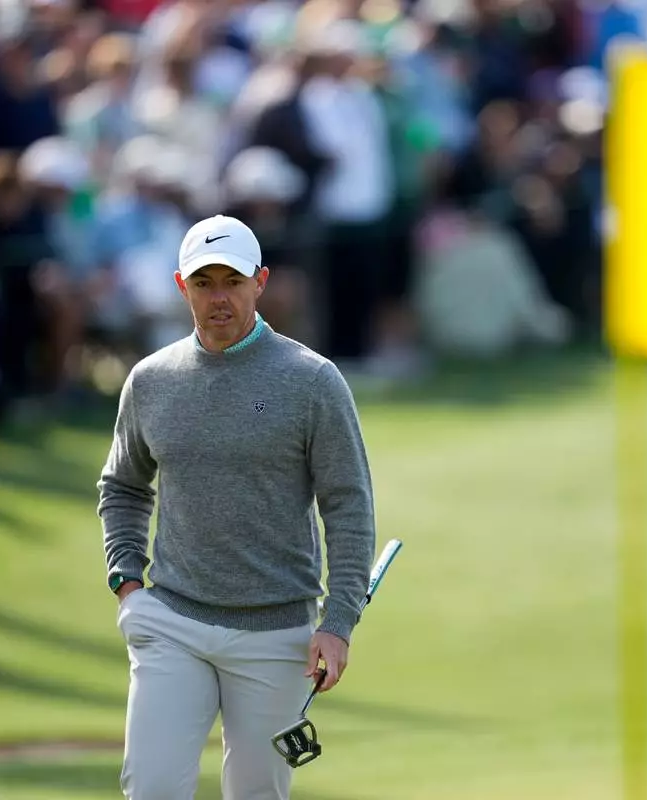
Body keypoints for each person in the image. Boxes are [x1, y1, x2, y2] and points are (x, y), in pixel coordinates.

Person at [96, 213, 377, 800]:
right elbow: (122, 485)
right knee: (151, 788)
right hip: (173, 620)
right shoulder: (150, 381)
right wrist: (127, 583)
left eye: (233, 281)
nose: (218, 298)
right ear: (182, 287)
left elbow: (348, 507)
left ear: (261, 282)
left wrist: (338, 623)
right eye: (204, 283)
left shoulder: (312, 381)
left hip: (277, 633)